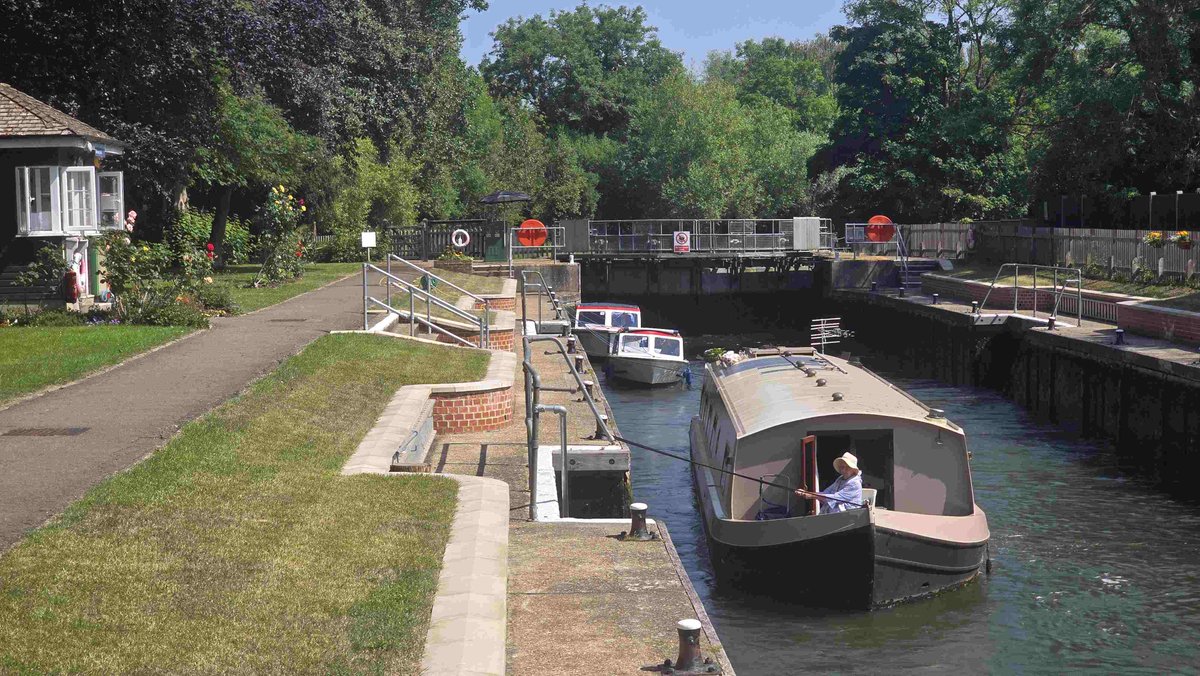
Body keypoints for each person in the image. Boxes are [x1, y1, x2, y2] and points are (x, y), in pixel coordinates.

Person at [797, 452, 863, 514]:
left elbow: (835, 498)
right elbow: (827, 493)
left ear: (853, 470)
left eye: (847, 467)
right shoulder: (840, 479)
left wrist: (811, 495)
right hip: (835, 515)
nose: (843, 470)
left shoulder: (854, 483)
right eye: (842, 467)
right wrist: (806, 493)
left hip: (848, 516)